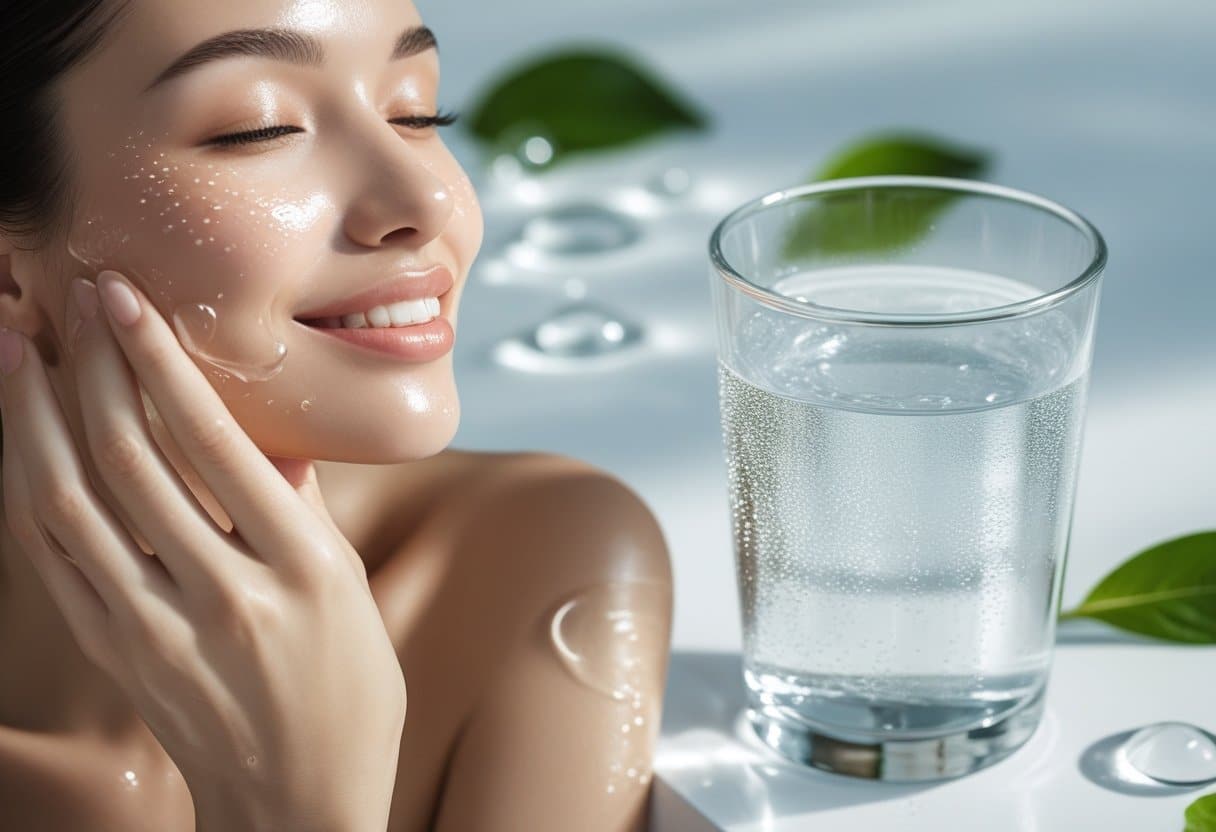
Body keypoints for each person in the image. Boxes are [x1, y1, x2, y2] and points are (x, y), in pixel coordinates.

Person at [0, 1, 675, 830]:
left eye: (416, 113)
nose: (425, 200)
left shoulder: (525, 567)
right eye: (261, 128)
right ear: (7, 274)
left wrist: (299, 802)